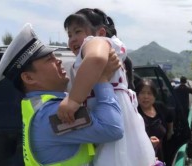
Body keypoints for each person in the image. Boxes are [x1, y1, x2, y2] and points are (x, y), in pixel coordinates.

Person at [0, 23, 124, 166]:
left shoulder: (39, 107)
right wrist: (102, 79)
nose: (58, 61)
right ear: (29, 78)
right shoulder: (50, 114)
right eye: (49, 59)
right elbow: (112, 128)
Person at [58, 8, 156, 166]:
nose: (73, 39)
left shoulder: (95, 42)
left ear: (101, 33)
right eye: (69, 35)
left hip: (112, 124)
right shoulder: (110, 49)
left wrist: (73, 100)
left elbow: (96, 58)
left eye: (77, 32)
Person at [135, 78, 174, 162]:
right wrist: (148, 144)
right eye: (142, 93)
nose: (146, 97)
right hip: (142, 159)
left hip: (162, 155)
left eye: (149, 93)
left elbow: (170, 117)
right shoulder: (134, 113)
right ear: (137, 95)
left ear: (155, 96)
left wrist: (170, 132)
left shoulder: (160, 107)